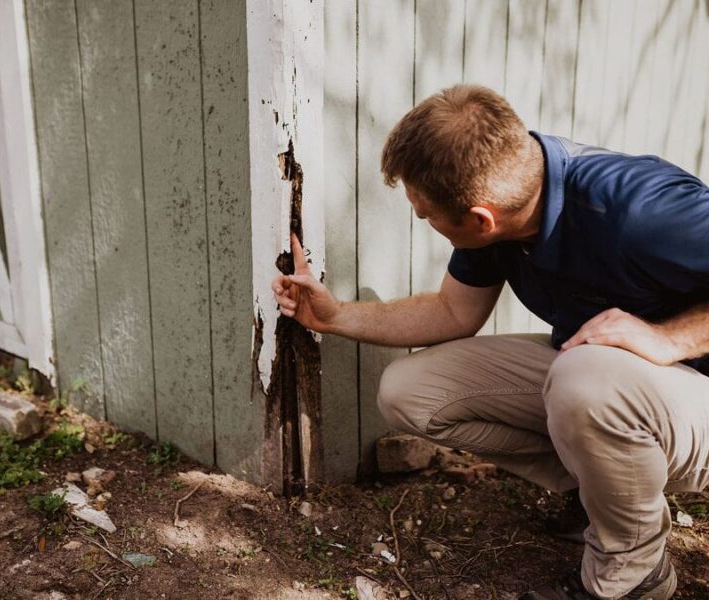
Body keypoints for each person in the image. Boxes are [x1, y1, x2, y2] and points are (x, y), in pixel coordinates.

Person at [272, 84, 709, 599]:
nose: (420, 218)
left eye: (425, 212)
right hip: (613, 385)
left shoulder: (641, 210)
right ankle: (606, 495)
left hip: (686, 400)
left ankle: (634, 577)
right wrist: (336, 315)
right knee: (410, 390)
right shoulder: (508, 207)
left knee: (584, 379)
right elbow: (454, 311)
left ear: (481, 218)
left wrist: (668, 337)